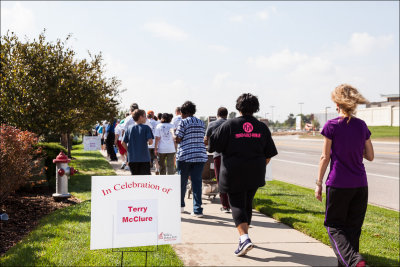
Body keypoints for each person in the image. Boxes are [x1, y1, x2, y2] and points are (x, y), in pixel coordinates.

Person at [209, 93, 278, 257]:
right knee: (247, 203)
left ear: (238, 107)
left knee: (237, 204)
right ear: (256, 108)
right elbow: (269, 153)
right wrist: (259, 165)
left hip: (233, 171)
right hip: (256, 171)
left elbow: (212, 145)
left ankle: (244, 238)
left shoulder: (229, 125)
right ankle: (244, 238)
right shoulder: (262, 127)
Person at [315, 84, 374, 267]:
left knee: (333, 227)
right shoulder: (362, 125)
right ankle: (354, 263)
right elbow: (370, 156)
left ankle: (354, 260)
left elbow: (325, 157)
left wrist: (318, 183)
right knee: (353, 230)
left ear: (336, 102)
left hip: (339, 184)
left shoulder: (331, 126)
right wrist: (354, 149)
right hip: (360, 185)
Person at [175, 101, 208, 217]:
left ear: (184, 113)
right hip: (200, 155)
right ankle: (197, 209)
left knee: (182, 182)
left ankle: (180, 206)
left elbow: (178, 139)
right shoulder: (201, 122)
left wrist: (173, 134)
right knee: (197, 182)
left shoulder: (183, 122)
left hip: (185, 156)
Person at [204, 107, 230, 213]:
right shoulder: (231, 123)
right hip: (231, 155)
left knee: (220, 179)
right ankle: (233, 203)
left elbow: (206, 140)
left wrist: (210, 144)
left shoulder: (212, 124)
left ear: (217, 114)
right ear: (226, 115)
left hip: (218, 155)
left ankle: (225, 206)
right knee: (231, 179)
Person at [122, 109, 154, 175]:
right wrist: (148, 142)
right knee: (145, 179)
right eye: (145, 116)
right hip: (144, 158)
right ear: (140, 117)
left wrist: (129, 150)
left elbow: (123, 142)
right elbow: (150, 142)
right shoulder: (146, 128)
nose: (146, 118)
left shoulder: (129, 128)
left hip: (132, 158)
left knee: (135, 179)